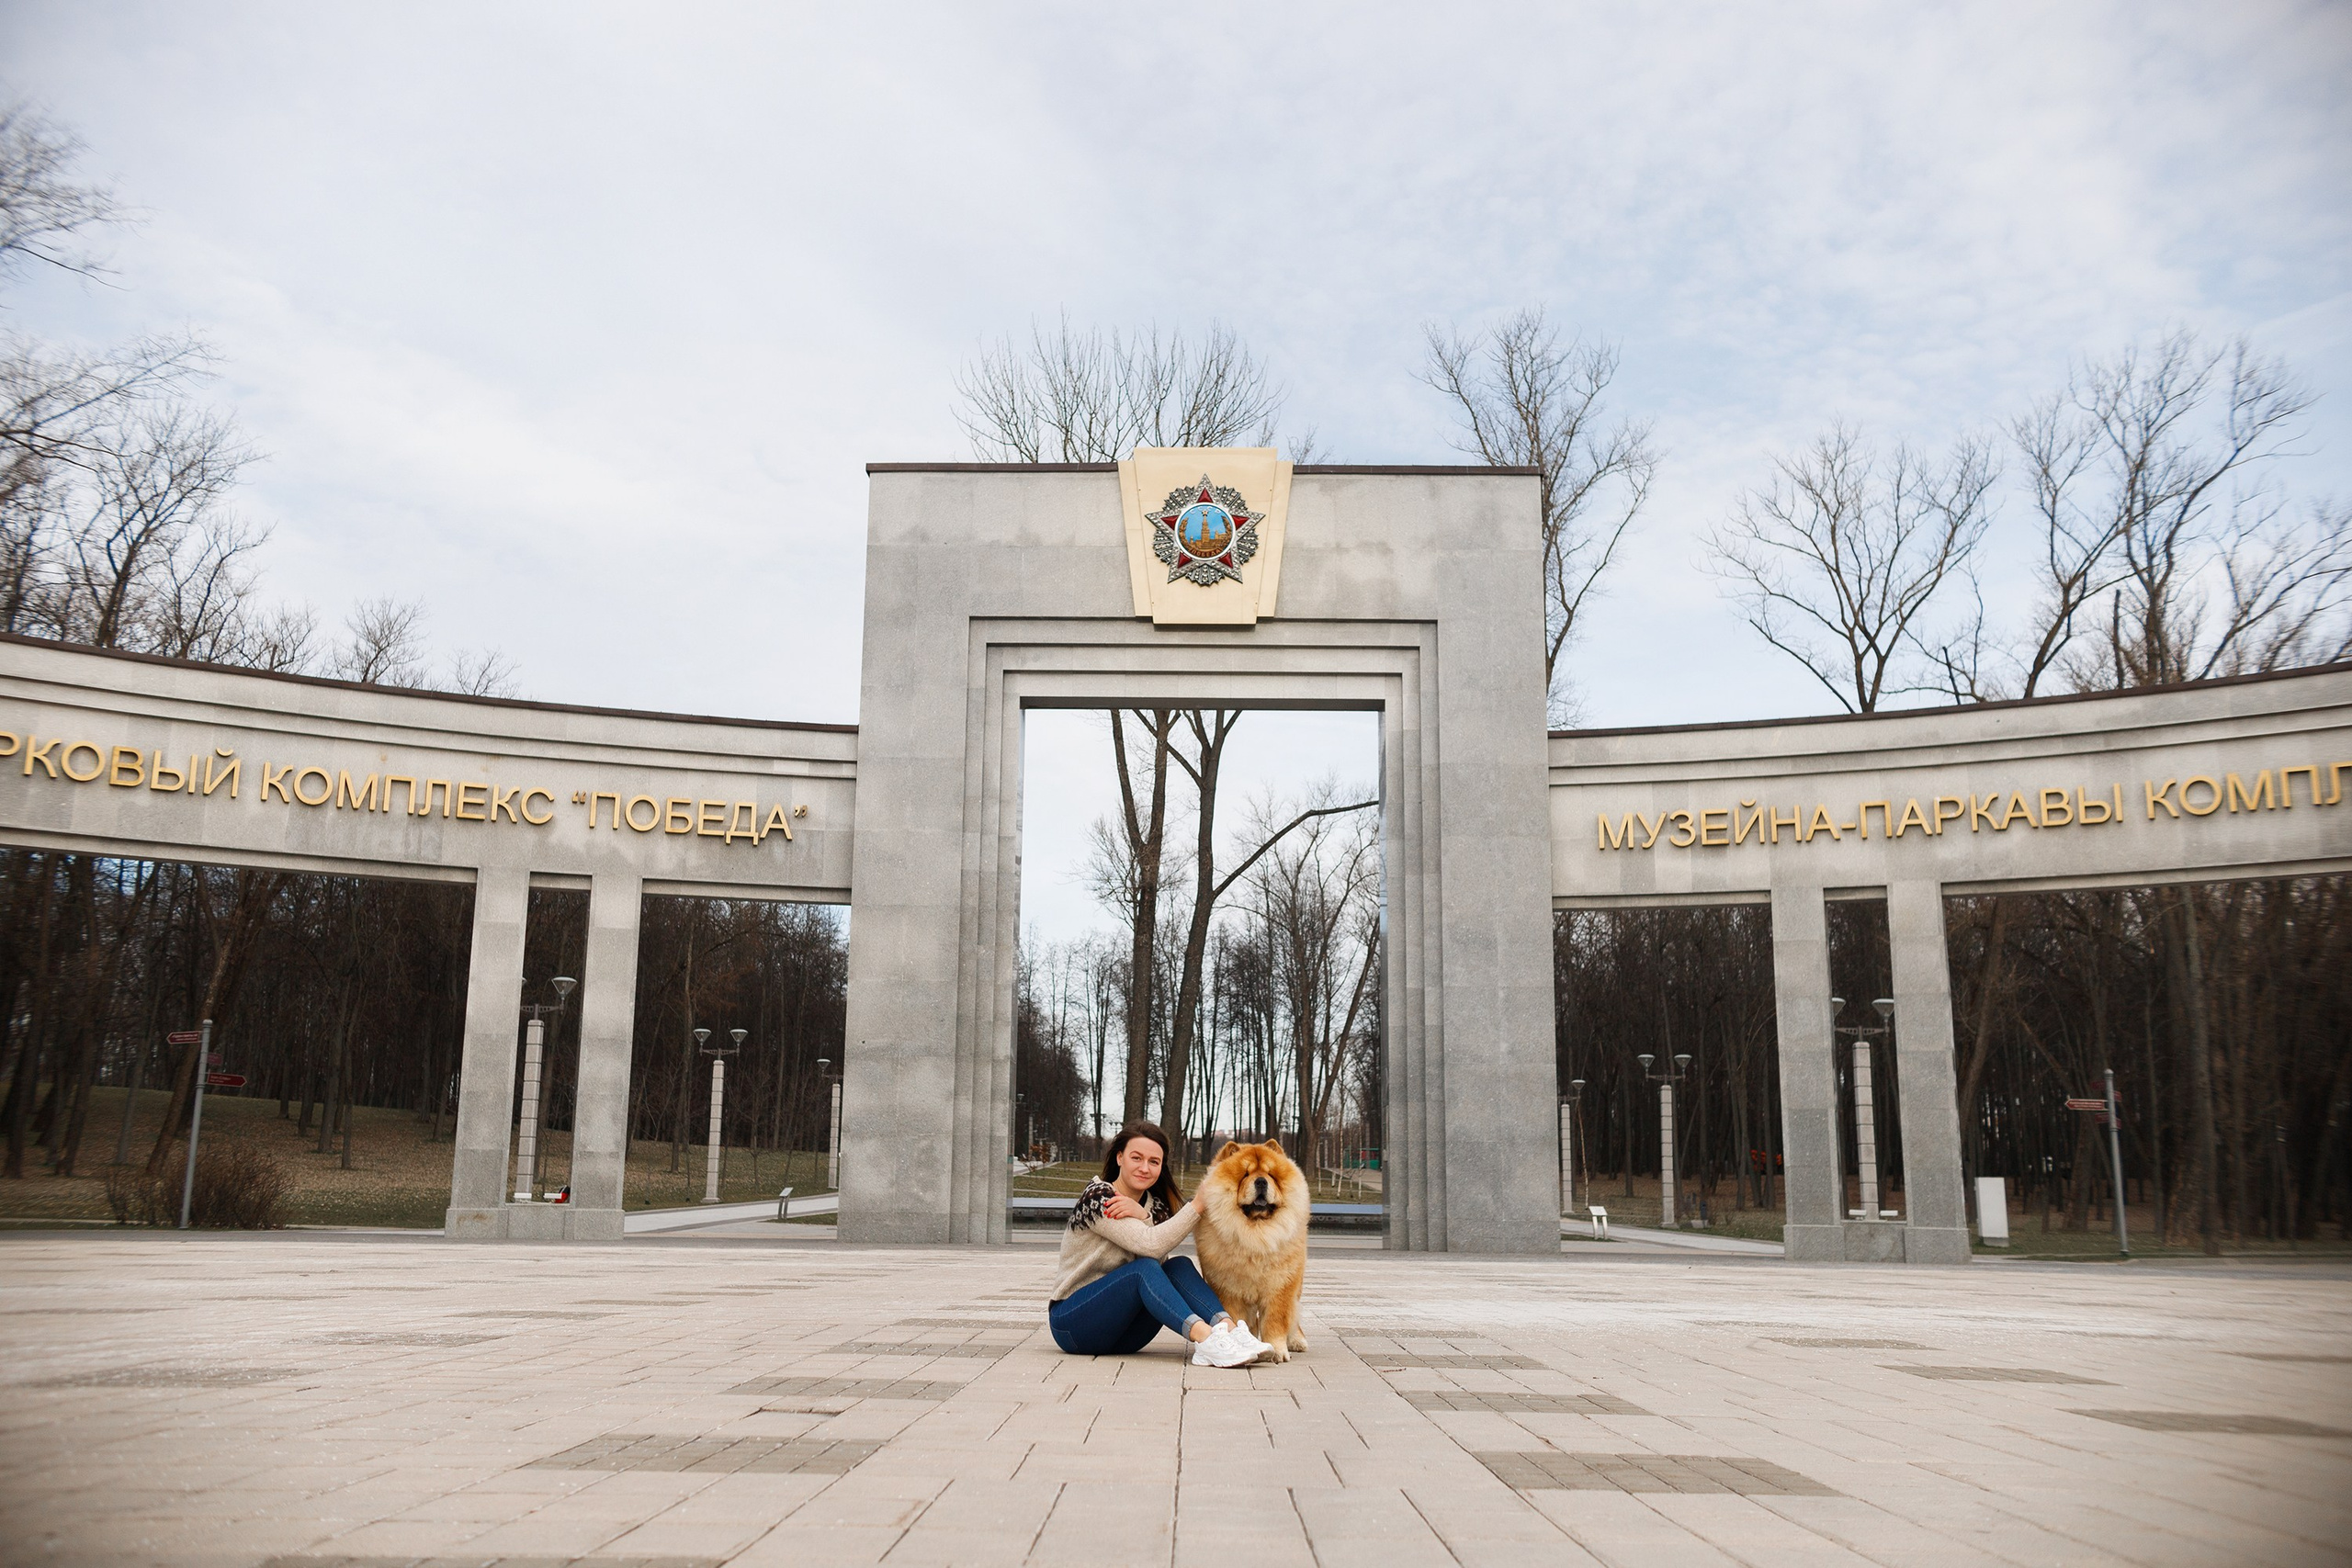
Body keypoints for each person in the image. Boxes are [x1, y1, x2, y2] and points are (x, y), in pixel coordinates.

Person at [1048, 1122, 1272, 1367]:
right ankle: (1205, 1339)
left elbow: (1159, 1267)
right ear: (1120, 1157)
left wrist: (1144, 1216)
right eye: (1137, 1158)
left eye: (1154, 1162)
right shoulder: (1099, 1197)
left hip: (1125, 1335)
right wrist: (1198, 1204)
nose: (1145, 1168)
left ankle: (1230, 1331)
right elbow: (1150, 1247)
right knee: (1141, 1270)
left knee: (1178, 1266)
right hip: (1074, 1325)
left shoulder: (1156, 1206)